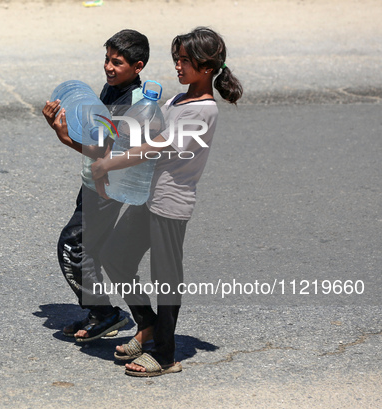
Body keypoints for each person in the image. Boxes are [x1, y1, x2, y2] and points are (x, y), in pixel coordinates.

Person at [91, 27, 243, 375]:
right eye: (177, 58)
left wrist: (110, 163)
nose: (177, 65)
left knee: (166, 277)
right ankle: (147, 325)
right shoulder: (177, 100)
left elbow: (155, 147)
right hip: (149, 197)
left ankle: (165, 354)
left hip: (172, 204)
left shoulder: (204, 112)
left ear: (206, 67)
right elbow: (147, 132)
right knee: (114, 256)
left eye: (185, 61)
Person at [42, 29, 151, 341]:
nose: (108, 67)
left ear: (138, 67)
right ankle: (98, 312)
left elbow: (108, 155)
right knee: (87, 248)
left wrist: (63, 138)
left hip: (107, 188)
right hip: (93, 182)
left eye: (117, 63)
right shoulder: (113, 88)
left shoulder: (134, 104)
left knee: (72, 245)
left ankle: (106, 313)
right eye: (106, 60)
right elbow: (98, 134)